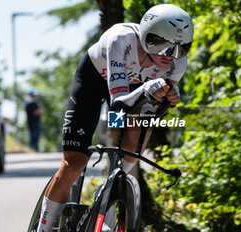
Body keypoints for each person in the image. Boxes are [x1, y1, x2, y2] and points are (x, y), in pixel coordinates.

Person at [36, 4, 194, 231]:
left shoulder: (177, 65)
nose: (171, 56)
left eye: (181, 49)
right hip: (94, 83)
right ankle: (44, 227)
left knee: (140, 128)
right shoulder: (122, 39)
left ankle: (110, 190)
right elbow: (118, 105)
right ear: (146, 35)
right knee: (75, 163)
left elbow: (148, 114)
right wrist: (147, 89)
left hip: (135, 92)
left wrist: (168, 99)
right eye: (163, 46)